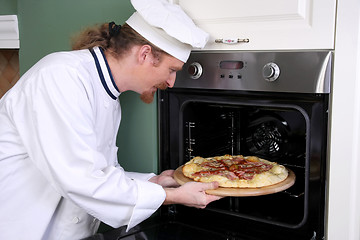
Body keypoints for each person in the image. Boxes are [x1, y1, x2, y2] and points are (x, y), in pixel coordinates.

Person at [0, 0, 222, 239]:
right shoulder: (60, 77)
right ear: (145, 54)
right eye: (172, 70)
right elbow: (80, 179)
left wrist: (155, 182)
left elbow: (100, 173)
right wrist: (171, 197)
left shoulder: (108, 97)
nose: (171, 83)